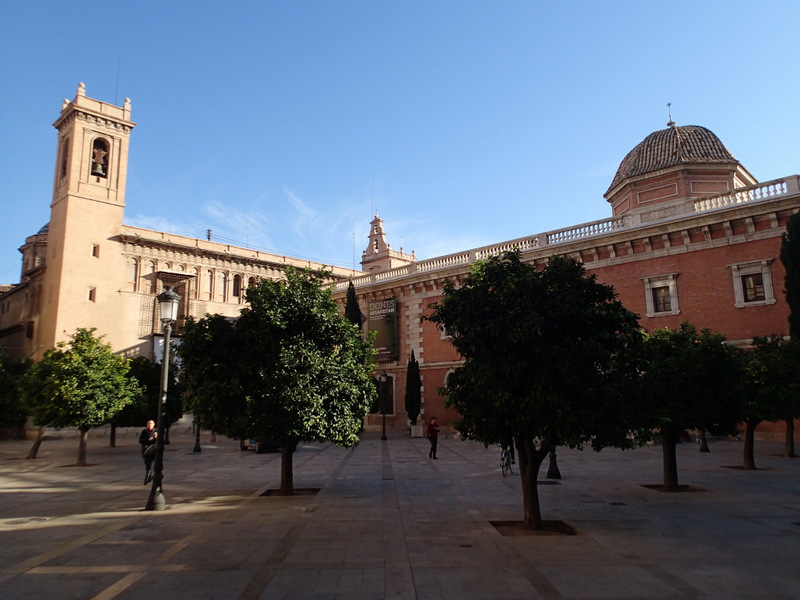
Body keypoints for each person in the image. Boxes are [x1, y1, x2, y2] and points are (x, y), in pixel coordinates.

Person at [139, 420, 157, 484]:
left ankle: (147, 478)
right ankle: (149, 476)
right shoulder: (144, 431)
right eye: (148, 423)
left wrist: (155, 438)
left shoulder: (156, 432)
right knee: (147, 463)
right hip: (145, 450)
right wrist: (148, 440)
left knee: (149, 463)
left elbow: (159, 442)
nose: (150, 424)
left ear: (154, 424)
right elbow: (140, 440)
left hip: (153, 450)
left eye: (151, 423)